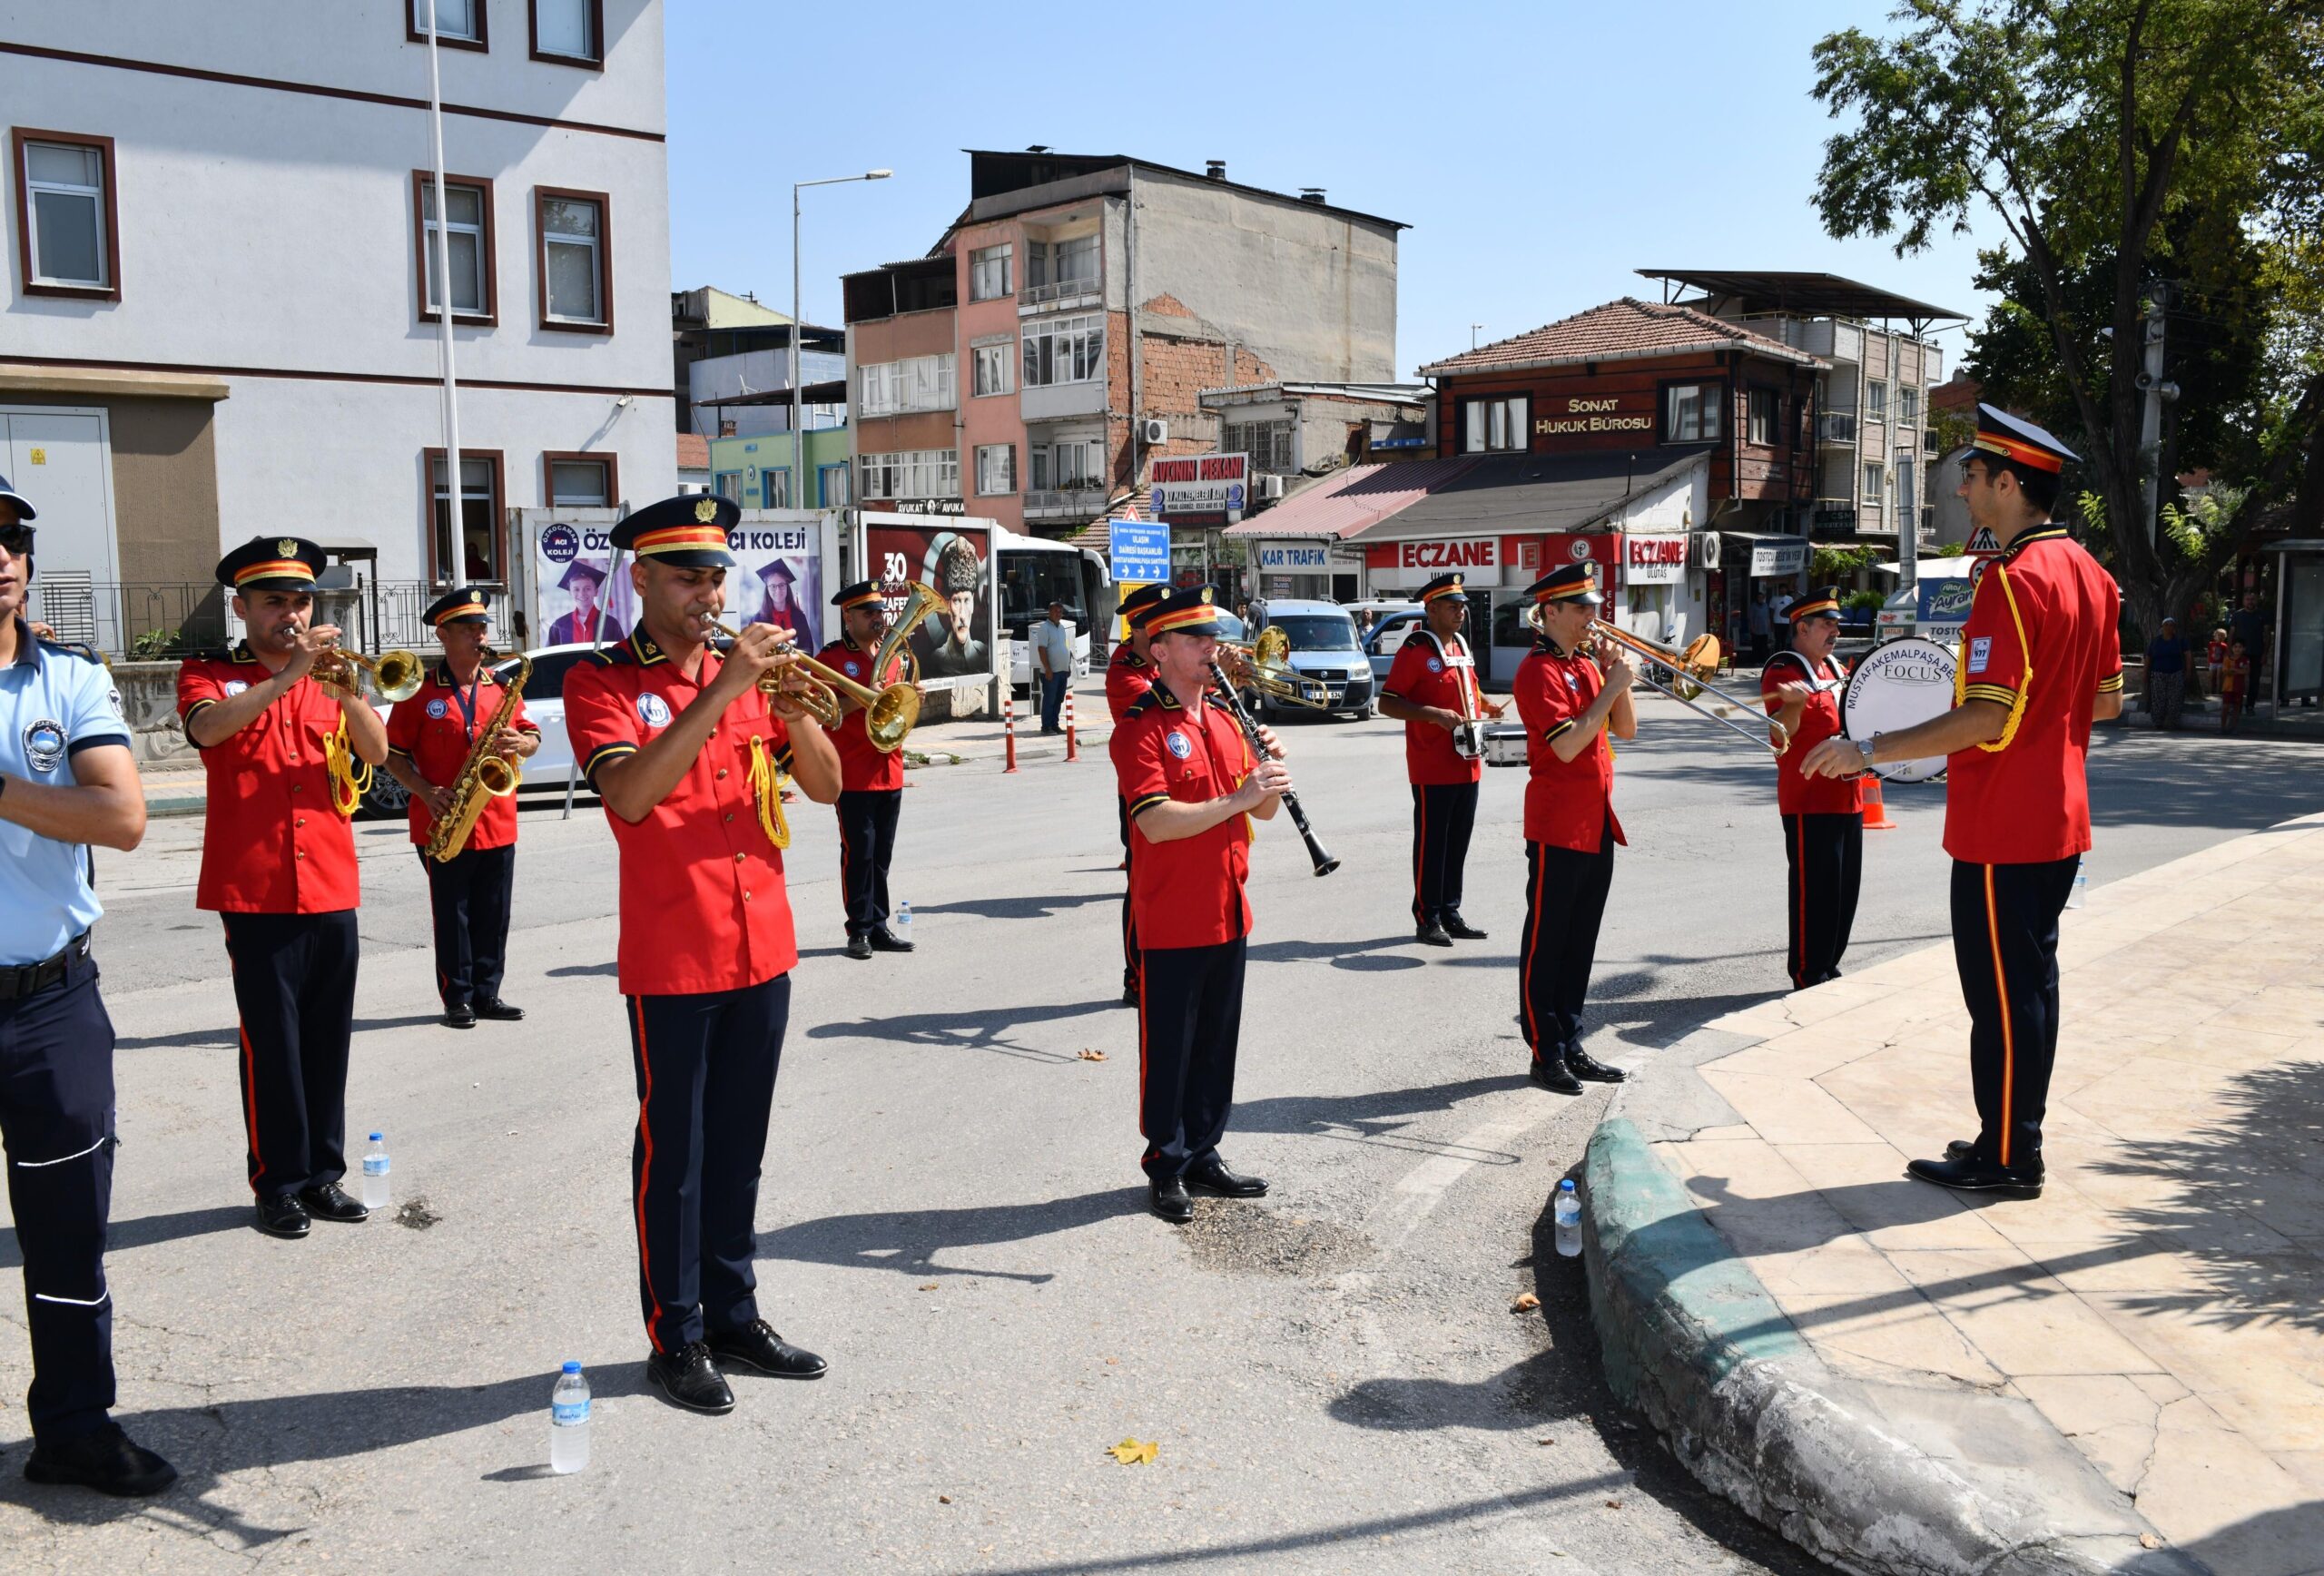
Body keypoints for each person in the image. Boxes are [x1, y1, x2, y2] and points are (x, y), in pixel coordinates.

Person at [561, 495, 844, 1414]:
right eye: (687, 575)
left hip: (761, 942)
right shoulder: (599, 681)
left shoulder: (749, 676)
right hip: (674, 953)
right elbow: (634, 795)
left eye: (715, 575)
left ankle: (734, 1312)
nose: (706, 592)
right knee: (673, 1153)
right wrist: (724, 689)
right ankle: (674, 1332)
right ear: (639, 578)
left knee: (740, 1148)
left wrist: (792, 703)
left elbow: (829, 785)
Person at [1802, 406, 2123, 1200]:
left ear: (2011, 485)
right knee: (2031, 988)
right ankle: (2008, 1132)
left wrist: (1868, 750)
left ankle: (2011, 1155)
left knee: (2002, 1001)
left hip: (2002, 825)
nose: (1964, 486)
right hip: (2057, 814)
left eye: (1975, 475)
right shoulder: (2090, 573)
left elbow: (1985, 715)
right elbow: (2107, 702)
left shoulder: (2012, 583)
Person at [0, 478, 177, 1495]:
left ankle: (73, 1424)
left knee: (69, 1233)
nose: (1, 554)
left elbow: (119, 816)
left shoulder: (67, 678)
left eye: (13, 536)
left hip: (50, 1001)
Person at [178, 537, 389, 1239]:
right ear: (241, 608)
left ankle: (322, 1175)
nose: (292, 615)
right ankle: (277, 1183)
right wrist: (285, 677)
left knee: (329, 1038)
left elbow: (377, 753)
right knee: (273, 1042)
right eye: (275, 602)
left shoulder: (331, 676)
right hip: (255, 889)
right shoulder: (209, 673)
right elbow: (208, 731)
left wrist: (343, 693)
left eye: (301, 601)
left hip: (331, 882)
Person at [1109, 586, 1289, 1224]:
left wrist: (1267, 777)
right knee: (1172, 1049)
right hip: (1172, 915)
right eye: (1194, 639)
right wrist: (1239, 799)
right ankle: (1167, 1161)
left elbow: (1260, 808)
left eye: (1210, 636)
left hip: (1228, 906)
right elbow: (1156, 823)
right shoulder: (1141, 727)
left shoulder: (1223, 715)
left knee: (1217, 1042)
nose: (1211, 647)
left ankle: (1205, 1151)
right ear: (1159, 650)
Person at [382, 589, 543, 1029]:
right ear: (444, 635)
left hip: (496, 818)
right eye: (469, 628)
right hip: (442, 818)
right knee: (453, 914)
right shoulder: (418, 693)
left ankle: (489, 993)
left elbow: (532, 737)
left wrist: (523, 742)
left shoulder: (503, 687)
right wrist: (424, 789)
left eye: (482, 627)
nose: (480, 635)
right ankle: (459, 998)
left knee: (494, 911)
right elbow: (390, 755)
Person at [1512, 563, 1635, 1095]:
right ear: (1551, 612)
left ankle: (1571, 1039)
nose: (1593, 615)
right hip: (1558, 825)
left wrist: (1617, 683)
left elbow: (1624, 730)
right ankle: (1545, 1050)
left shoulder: (1586, 664)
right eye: (1582, 607)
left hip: (1596, 821)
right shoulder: (1537, 671)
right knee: (1548, 941)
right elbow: (1566, 745)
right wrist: (1609, 689)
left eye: (1593, 605)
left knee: (1581, 940)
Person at [1378, 572, 1503, 946]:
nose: (1460, 612)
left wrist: (1487, 705)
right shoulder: (1415, 650)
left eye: (1462, 606)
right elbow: (1387, 702)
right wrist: (1432, 713)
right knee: (1433, 844)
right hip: (1432, 766)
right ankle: (1427, 916)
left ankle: (1450, 911)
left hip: (1467, 763)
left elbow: (1471, 692)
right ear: (1431, 609)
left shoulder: (1461, 646)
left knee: (1458, 843)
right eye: (1452, 606)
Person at [1761, 587, 1863, 990]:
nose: (1834, 631)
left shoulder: (1833, 668)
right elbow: (1779, 736)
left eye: (1836, 623)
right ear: (1801, 627)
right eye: (1826, 624)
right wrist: (1794, 705)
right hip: (1809, 799)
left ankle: (1830, 964)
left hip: (1848, 796)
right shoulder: (1783, 668)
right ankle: (1808, 972)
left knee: (1843, 892)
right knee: (1814, 894)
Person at [817, 580, 913, 961]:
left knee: (882, 856)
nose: (879, 618)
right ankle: (858, 930)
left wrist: (910, 697)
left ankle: (878, 924)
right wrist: (866, 695)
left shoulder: (893, 656)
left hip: (890, 768)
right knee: (859, 853)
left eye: (880, 612)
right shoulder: (832, 658)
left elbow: (899, 711)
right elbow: (826, 713)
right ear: (849, 616)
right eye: (869, 613)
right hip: (853, 772)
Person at [1107, 585, 1167, 1007]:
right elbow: (1166, 709)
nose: (1166, 636)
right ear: (1138, 630)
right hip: (1141, 796)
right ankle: (1137, 976)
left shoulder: (1166, 665)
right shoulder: (1122, 670)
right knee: (1142, 886)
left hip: (1185, 791)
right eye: (1159, 628)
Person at [920, 535, 988, 678]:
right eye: (956, 600)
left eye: (967, 600)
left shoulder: (984, 654)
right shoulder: (936, 660)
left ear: (974, 604)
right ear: (948, 605)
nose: (962, 615)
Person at [545, 557, 622, 648]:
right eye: (576, 589)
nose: (582, 594)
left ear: (596, 591)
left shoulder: (611, 624)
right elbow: (550, 657)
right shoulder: (559, 626)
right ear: (570, 592)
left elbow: (621, 654)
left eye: (587, 589)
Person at [1033, 599, 1073, 734]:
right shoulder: (1044, 628)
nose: (1058, 614)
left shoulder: (1061, 628)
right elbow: (1042, 649)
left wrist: (1067, 666)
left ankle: (1054, 724)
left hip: (1062, 671)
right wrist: (1048, 668)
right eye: (1056, 611)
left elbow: (1064, 647)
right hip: (1051, 672)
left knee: (1058, 699)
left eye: (1060, 611)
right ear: (1049, 612)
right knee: (1049, 699)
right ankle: (1046, 726)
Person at [2144, 616, 2188, 730]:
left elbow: (2188, 656)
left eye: (2171, 625)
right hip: (2158, 674)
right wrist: (2145, 673)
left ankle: (2173, 722)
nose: (2169, 627)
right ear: (2162, 627)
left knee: (2175, 698)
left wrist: (2188, 672)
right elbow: (2148, 658)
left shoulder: (2179, 641)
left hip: (2176, 673)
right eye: (2166, 625)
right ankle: (2157, 722)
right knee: (2158, 698)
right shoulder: (2155, 641)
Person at [755, 559, 809, 645]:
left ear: (787, 587)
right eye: (773, 586)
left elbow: (807, 647)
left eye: (781, 585)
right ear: (767, 589)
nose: (778, 590)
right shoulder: (758, 620)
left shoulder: (799, 617)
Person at [2221, 640, 2252, 732]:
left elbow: (2246, 671)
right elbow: (2226, 672)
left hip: (2239, 687)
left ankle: (2233, 728)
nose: (2237, 649)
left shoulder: (2245, 659)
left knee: (2236, 708)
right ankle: (2222, 727)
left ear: (2243, 649)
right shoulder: (2227, 659)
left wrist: (2234, 670)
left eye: (2240, 647)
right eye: (2235, 646)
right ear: (2232, 648)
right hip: (2227, 687)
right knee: (2225, 707)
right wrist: (2238, 671)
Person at [1748, 586, 1774, 665]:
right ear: (1757, 598)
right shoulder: (1753, 606)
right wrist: (1752, 627)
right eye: (1759, 597)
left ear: (1764, 598)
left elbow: (1768, 617)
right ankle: (1756, 661)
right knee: (1756, 647)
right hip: (1756, 630)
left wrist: (1769, 627)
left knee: (1764, 647)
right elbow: (1751, 618)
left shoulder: (1766, 605)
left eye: (1762, 597)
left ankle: (1763, 661)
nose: (1760, 599)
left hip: (1765, 630)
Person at [2205, 626, 2228, 707]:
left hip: (2220, 663)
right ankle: (2211, 692)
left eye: (2222, 636)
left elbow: (2225, 655)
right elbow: (2208, 653)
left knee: (2219, 677)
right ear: (2215, 636)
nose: (2220, 637)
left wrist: (2225, 664)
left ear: (2224, 637)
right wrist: (2208, 662)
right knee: (2212, 677)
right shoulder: (2211, 644)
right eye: (2219, 635)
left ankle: (2218, 692)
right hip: (2212, 663)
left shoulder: (2225, 646)